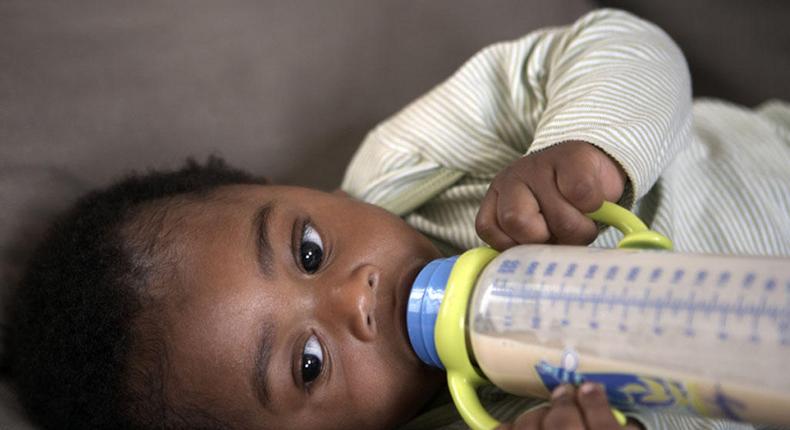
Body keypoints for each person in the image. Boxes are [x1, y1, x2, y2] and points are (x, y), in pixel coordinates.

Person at [7, 8, 789, 430]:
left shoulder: (410, 165)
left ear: (304, 192)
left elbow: (620, 43)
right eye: (306, 366)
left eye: (308, 249)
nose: (356, 297)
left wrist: (586, 144)